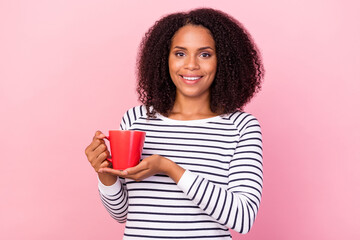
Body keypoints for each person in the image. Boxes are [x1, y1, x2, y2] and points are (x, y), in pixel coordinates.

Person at [85, 8, 264, 240]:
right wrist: (105, 173)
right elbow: (124, 213)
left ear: (224, 60)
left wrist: (170, 168)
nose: (190, 65)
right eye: (180, 53)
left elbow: (242, 217)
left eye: (205, 54)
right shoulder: (136, 119)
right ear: (164, 58)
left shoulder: (241, 127)